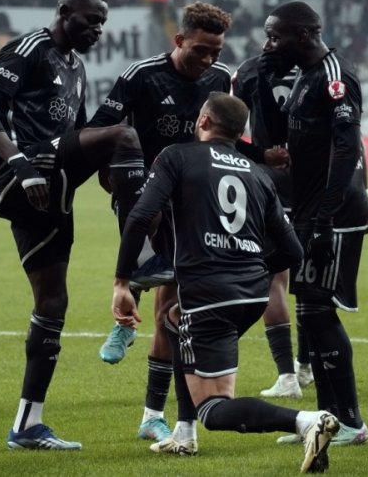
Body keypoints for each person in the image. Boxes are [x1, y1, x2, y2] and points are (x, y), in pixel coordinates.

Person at [111, 92, 339, 472]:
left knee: (214, 409)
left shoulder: (176, 156)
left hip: (209, 294)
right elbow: (293, 251)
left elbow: (140, 217)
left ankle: (307, 422)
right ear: (239, 133)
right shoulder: (258, 173)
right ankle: (183, 434)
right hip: (251, 295)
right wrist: (252, 269)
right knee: (173, 320)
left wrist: (122, 282)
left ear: (203, 121)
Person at [0, 0, 146, 450]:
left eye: (104, 23)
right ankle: (143, 256)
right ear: (65, 11)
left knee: (52, 304)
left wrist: (107, 171)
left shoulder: (76, 67)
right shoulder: (29, 49)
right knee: (125, 135)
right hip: (26, 170)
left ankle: (27, 425)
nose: (98, 30)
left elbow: (80, 131)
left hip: (53, 189)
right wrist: (19, 164)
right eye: (92, 20)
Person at [257, 1, 368, 446]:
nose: (268, 44)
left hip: (333, 213)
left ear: (303, 34)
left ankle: (351, 423)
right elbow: (279, 139)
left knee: (321, 312)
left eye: (275, 36)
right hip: (309, 210)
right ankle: (328, 420)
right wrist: (264, 82)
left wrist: (324, 217)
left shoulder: (335, 77)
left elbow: (348, 148)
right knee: (309, 311)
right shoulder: (304, 75)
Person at [231, 55, 313, 399]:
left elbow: (229, 131)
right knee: (309, 279)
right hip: (313, 183)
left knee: (274, 279)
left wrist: (262, 154)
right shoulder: (317, 66)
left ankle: (287, 377)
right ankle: (305, 366)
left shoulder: (249, 70)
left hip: (269, 183)